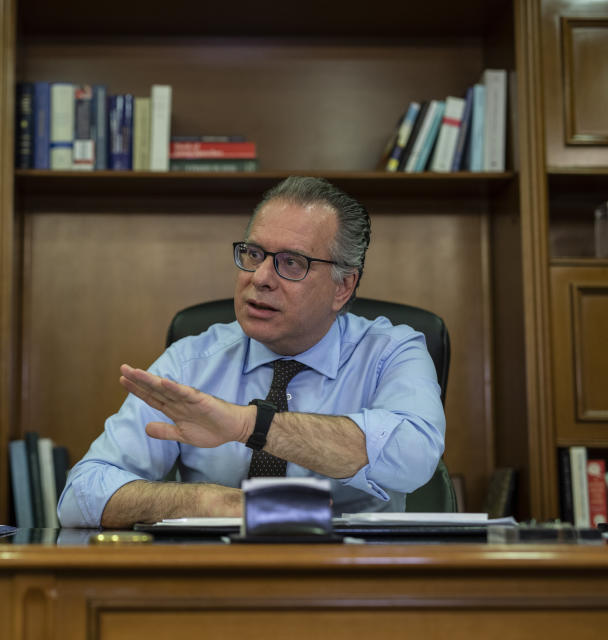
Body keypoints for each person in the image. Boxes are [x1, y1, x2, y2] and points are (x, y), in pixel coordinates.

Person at [57, 176, 445, 529]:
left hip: (351, 584)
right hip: (218, 584)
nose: (260, 278)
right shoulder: (190, 362)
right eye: (254, 254)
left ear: (342, 287)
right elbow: (81, 496)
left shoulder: (391, 352)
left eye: (291, 263)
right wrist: (208, 501)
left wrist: (249, 425)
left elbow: (413, 457)